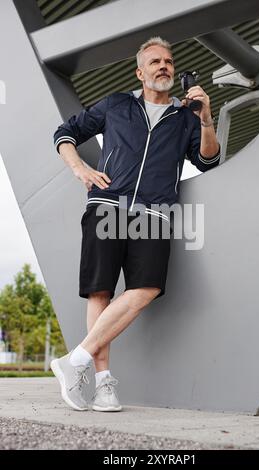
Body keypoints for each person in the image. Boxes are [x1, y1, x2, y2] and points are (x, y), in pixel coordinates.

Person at [51, 37, 220, 412]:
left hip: (155, 212)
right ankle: (103, 383)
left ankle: (75, 359)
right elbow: (65, 134)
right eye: (155, 61)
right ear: (139, 72)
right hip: (107, 204)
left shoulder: (186, 118)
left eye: (169, 61)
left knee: (145, 289)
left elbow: (208, 161)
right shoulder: (116, 104)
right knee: (100, 292)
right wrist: (80, 168)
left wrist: (206, 119)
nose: (164, 66)